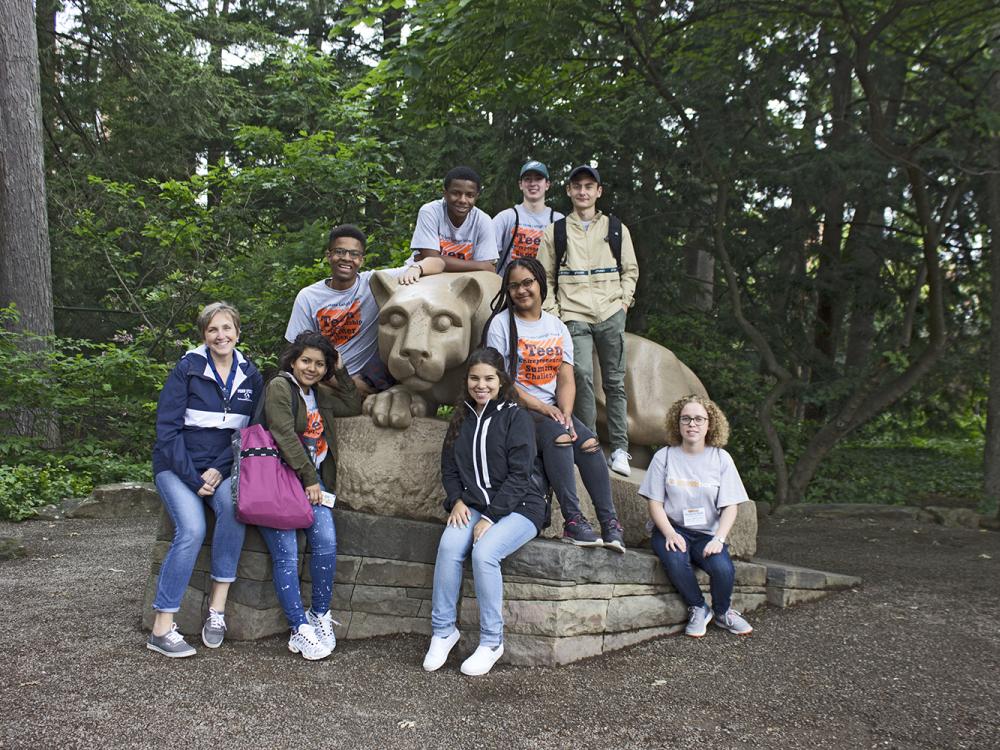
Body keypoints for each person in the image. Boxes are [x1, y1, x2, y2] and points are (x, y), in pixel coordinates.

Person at [483, 258, 625, 552]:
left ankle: (610, 523)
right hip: (515, 409)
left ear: (540, 284)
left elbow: (566, 378)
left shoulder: (557, 327)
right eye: (514, 286)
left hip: (552, 409)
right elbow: (501, 383)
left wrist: (567, 413)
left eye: (527, 283)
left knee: (588, 444)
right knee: (560, 437)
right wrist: (545, 410)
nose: (521, 290)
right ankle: (573, 521)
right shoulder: (501, 325)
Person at [148, 302, 263, 657]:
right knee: (193, 530)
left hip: (222, 467)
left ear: (238, 333)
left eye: (227, 328)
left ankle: (217, 610)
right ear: (204, 335)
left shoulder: (252, 375)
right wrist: (193, 476)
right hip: (176, 467)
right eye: (213, 329)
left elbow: (247, 433)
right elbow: (167, 432)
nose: (221, 335)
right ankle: (162, 627)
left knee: (232, 508)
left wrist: (218, 468)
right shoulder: (188, 369)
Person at [422, 348, 546, 676]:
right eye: (475, 378)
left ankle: (492, 641)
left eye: (489, 378)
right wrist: (457, 500)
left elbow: (521, 475)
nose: (481, 385)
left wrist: (491, 518)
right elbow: (448, 466)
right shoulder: (461, 416)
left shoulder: (515, 416)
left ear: (501, 380)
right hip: (474, 504)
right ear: (467, 381)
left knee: (484, 553)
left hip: (522, 507)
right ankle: (444, 630)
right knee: (449, 546)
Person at [259, 332, 364, 660]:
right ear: (293, 360)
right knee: (287, 552)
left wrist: (341, 371)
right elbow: (284, 434)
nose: (312, 368)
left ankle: (319, 616)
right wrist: (309, 479)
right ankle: (298, 628)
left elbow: (353, 403)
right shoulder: (280, 387)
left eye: (320, 364)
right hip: (282, 481)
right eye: (306, 360)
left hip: (314, 483)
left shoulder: (318, 393)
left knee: (326, 543)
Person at [537, 165, 639, 477]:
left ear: (598, 191)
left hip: (610, 311)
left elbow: (630, 269)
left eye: (589, 186)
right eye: (577, 186)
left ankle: (620, 448)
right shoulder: (555, 231)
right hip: (572, 313)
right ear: (568, 191)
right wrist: (554, 312)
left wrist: (623, 302)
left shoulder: (616, 227)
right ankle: (589, 439)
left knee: (614, 381)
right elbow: (545, 277)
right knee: (580, 374)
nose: (583, 192)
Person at [638, 394, 754, 637]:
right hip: (672, 528)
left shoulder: (721, 459)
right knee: (675, 560)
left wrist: (719, 539)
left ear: (710, 424)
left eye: (699, 419)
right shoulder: (665, 456)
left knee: (723, 569)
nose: (692, 424)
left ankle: (723, 613)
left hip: (706, 535)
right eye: (686, 419)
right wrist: (669, 532)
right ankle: (699, 607)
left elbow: (730, 506)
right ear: (677, 424)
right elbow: (655, 502)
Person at [285, 224, 445, 397]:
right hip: (326, 375)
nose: (346, 258)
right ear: (328, 256)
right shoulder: (309, 297)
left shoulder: (374, 283)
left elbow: (437, 262)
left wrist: (416, 268)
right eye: (339, 252)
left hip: (367, 377)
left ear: (362, 260)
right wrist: (331, 378)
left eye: (354, 254)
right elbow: (296, 349)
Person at [408, 166, 499, 272]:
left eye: (470, 195)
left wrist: (437, 259)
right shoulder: (430, 211)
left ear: (476, 197)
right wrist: (480, 265)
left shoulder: (483, 220)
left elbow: (488, 270)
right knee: (385, 277)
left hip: (464, 281)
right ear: (445, 193)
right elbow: (431, 262)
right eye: (456, 193)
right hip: (422, 274)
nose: (462, 200)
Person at [492, 160, 565, 275]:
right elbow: (488, 257)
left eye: (538, 179)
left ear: (547, 185)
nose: (533, 183)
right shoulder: (506, 218)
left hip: (545, 289)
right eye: (527, 179)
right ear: (520, 184)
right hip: (508, 289)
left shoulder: (558, 220)